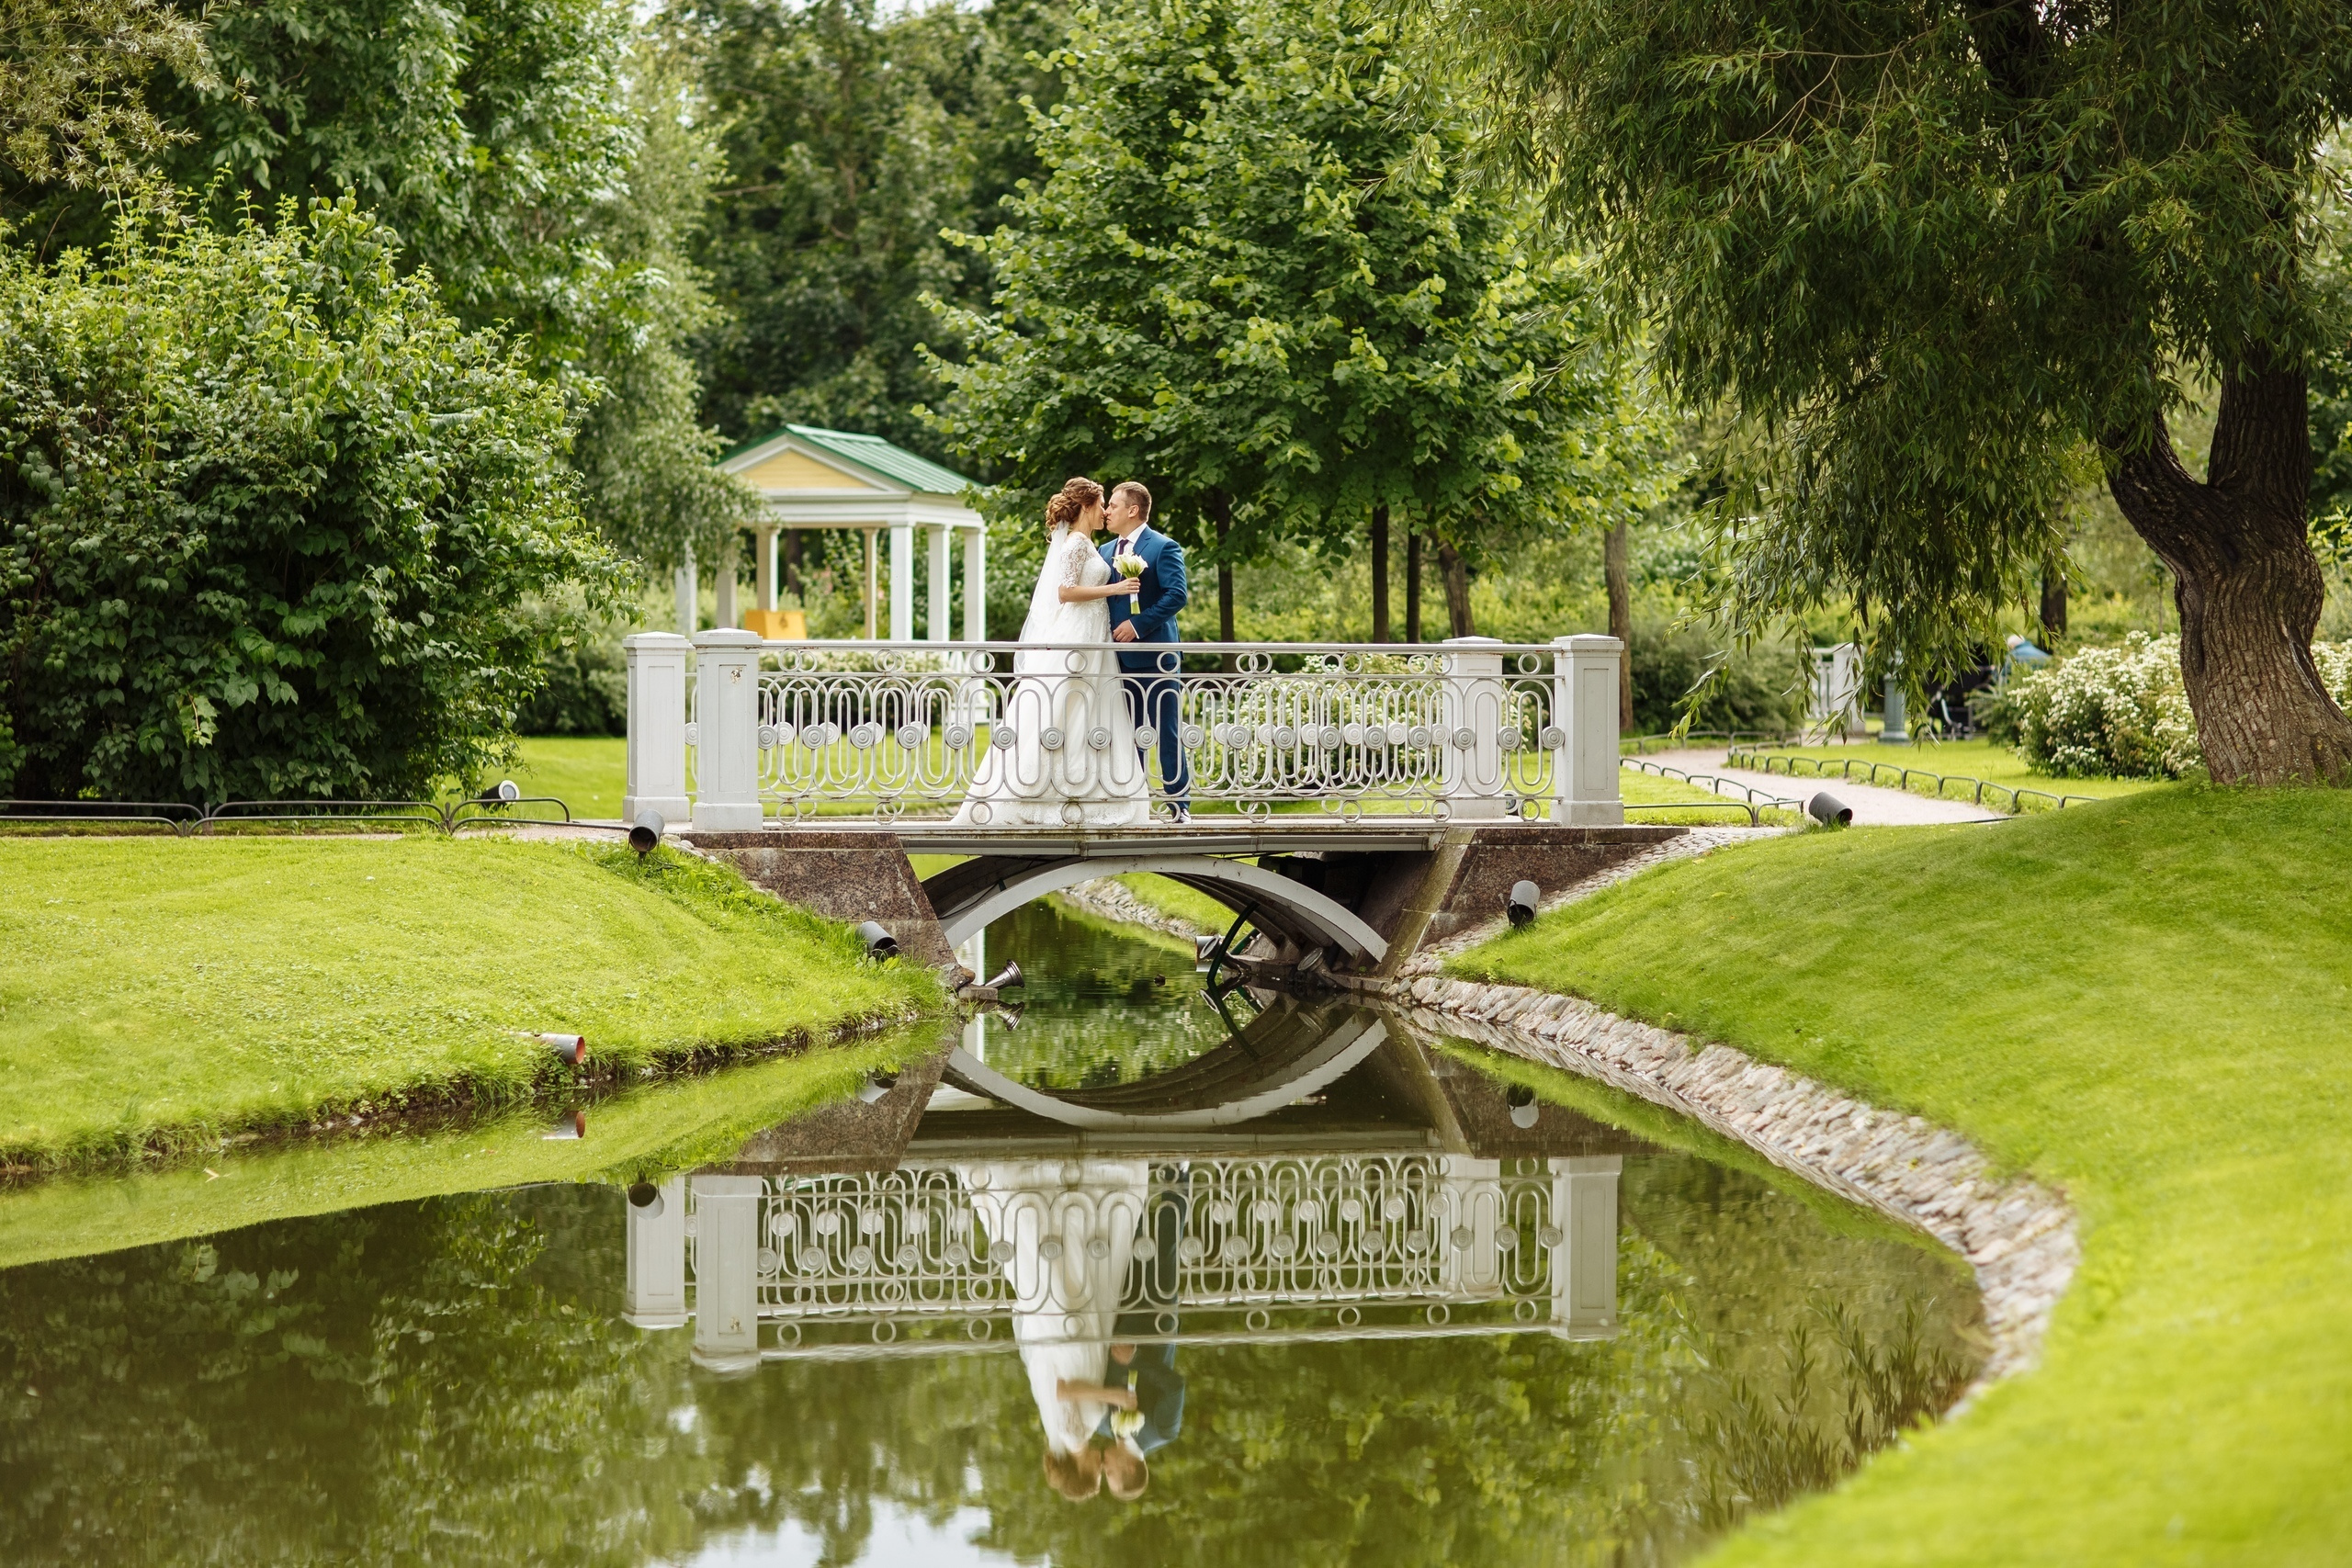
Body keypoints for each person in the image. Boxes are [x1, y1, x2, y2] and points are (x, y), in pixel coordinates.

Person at [953, 478, 1151, 827]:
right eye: (1101, 504)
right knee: (1063, 705)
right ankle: (1037, 788)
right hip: (1078, 635)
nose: (1105, 512)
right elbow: (1065, 591)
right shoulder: (1075, 543)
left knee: (1090, 708)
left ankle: (1089, 788)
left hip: (1093, 635)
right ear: (1086, 506)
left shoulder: (1088, 543)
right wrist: (1115, 588)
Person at [1100, 481, 1192, 822]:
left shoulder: (1163, 547)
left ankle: (1179, 805)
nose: (1107, 511)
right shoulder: (1104, 550)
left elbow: (1176, 595)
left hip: (1157, 656)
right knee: (1128, 733)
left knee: (1167, 730)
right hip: (1115, 658)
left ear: (1133, 510)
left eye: (1113, 505)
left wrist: (1137, 625)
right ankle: (1135, 805)